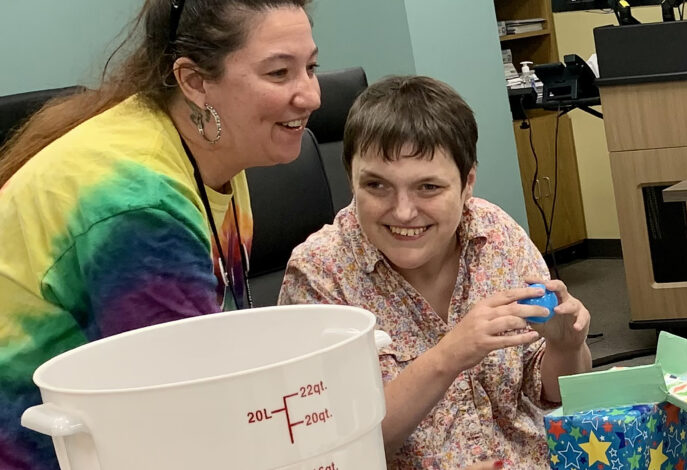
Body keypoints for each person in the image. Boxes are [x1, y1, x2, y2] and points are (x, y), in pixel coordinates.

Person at [0, 0, 320, 468]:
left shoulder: (213, 146)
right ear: (194, 81)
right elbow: (183, 426)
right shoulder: (139, 207)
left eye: (311, 67)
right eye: (278, 73)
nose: (310, 95)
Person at [279, 75, 593, 469]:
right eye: (377, 186)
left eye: (428, 187)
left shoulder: (495, 235)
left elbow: (555, 393)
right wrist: (449, 355)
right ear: (351, 181)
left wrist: (567, 347)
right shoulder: (320, 272)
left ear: (467, 185)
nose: (404, 211)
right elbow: (332, 449)